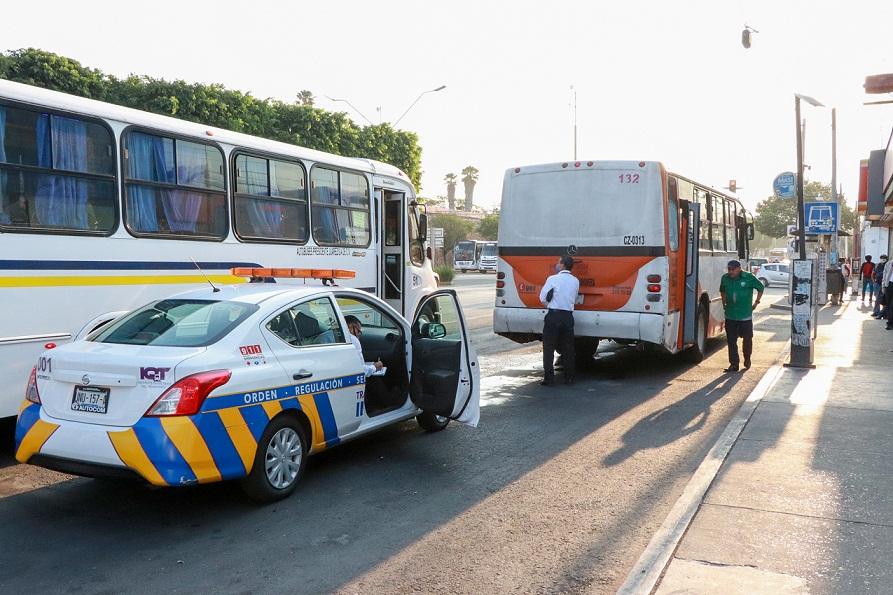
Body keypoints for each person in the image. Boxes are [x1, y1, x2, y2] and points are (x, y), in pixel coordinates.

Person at [539, 255, 580, 386]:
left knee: (549, 347)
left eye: (558, 262)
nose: (557, 264)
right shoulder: (575, 281)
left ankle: (549, 378)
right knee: (568, 348)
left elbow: (542, 298)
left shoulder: (553, 279)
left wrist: (550, 303)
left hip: (554, 315)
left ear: (562, 265)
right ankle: (569, 378)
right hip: (568, 316)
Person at [719, 259, 764, 373]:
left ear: (739, 269)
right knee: (731, 341)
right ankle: (734, 364)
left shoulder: (748, 277)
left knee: (747, 340)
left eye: (733, 269)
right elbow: (722, 290)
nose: (731, 272)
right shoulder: (725, 278)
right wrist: (724, 302)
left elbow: (760, 288)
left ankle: (747, 359)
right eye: (729, 269)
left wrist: (756, 302)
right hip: (730, 315)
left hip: (745, 316)